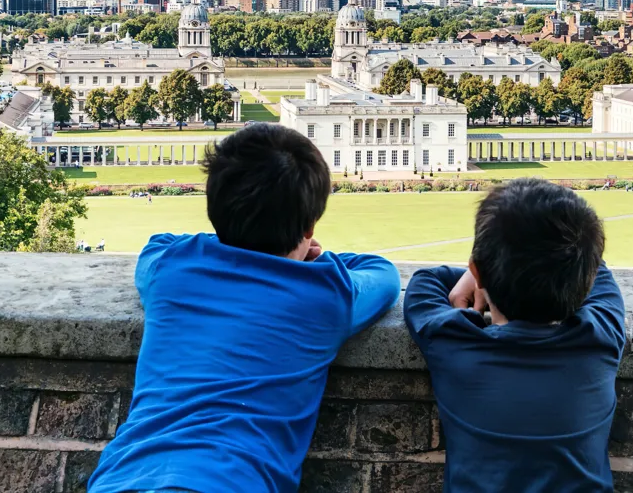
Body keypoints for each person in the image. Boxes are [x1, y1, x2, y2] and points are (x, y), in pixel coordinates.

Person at [88, 123, 401, 493]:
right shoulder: (324, 294)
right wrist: (314, 260)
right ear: (309, 227)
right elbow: (383, 275)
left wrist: (227, 240)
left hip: (126, 476)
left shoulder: (172, 269)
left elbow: (158, 246)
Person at [404, 179, 625, 492]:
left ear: (478, 272)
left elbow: (424, 284)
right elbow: (595, 270)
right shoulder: (600, 339)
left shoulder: (454, 343)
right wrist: (483, 273)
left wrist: (481, 276)